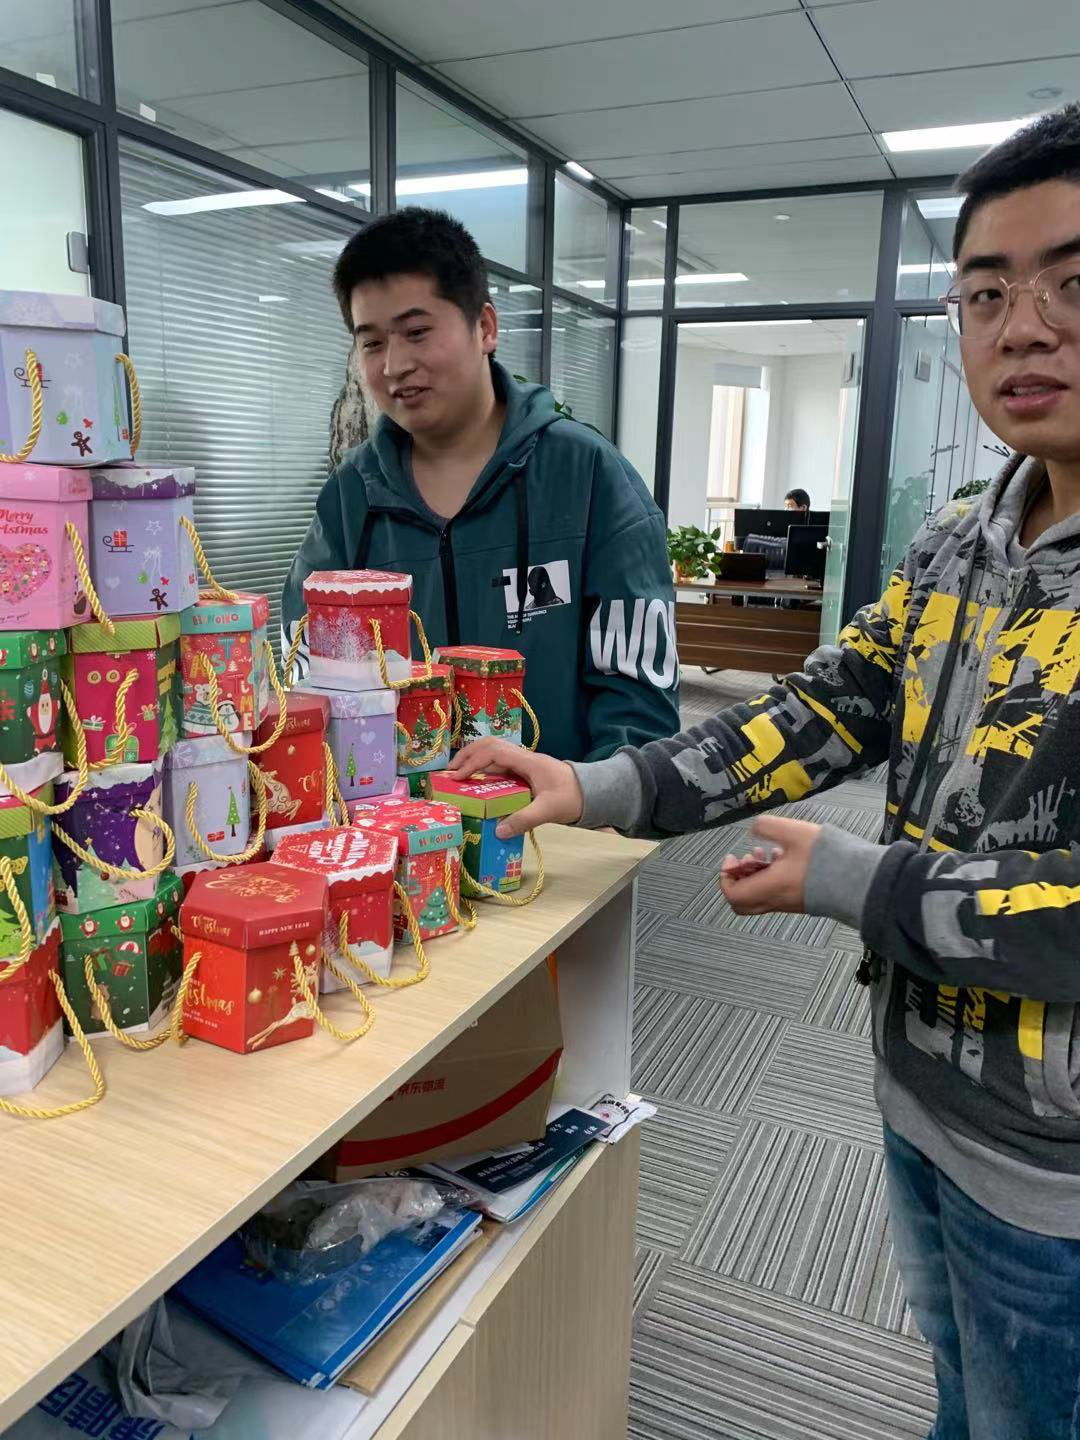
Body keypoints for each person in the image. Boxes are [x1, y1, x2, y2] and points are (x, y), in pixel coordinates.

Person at [451, 105, 1080, 1439]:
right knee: (963, 1395)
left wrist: (857, 879)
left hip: (1062, 1173)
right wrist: (592, 786)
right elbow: (819, 713)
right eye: (986, 292)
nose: (1024, 328)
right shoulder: (961, 541)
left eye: (1072, 284)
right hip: (927, 1094)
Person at [282, 207, 679, 762]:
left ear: (485, 328)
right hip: (393, 810)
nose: (394, 365)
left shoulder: (587, 476)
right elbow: (309, 676)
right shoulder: (351, 498)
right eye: (371, 343)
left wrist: (589, 799)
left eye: (417, 332)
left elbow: (639, 703)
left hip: (557, 808)